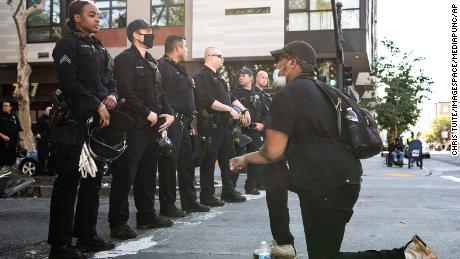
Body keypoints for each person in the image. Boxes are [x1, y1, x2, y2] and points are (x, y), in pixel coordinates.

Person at [230, 40, 438, 259]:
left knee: (323, 257)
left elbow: (272, 152)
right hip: (339, 180)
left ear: (292, 63)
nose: (275, 67)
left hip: (327, 186)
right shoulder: (327, 91)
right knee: (276, 174)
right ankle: (283, 243)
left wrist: (244, 158)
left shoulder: (288, 94)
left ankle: (408, 255)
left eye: (279, 61)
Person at [48, 1, 117, 258]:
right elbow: (69, 83)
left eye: (99, 15)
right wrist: (97, 104)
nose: (99, 19)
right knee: (68, 183)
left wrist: (111, 95)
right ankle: (60, 245)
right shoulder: (67, 44)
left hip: (96, 128)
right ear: (77, 18)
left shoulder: (98, 47)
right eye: (92, 15)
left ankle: (86, 235)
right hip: (74, 124)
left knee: (93, 182)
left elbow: (109, 81)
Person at [108, 19, 175, 240]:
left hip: (152, 126)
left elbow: (161, 92)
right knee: (125, 174)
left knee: (147, 173)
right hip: (133, 125)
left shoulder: (152, 62)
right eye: (148, 31)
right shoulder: (125, 59)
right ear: (136, 35)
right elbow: (125, 90)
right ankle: (118, 223)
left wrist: (169, 112)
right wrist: (146, 112)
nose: (151, 35)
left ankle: (146, 216)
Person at [157, 35, 210, 215]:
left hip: (185, 123)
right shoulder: (161, 66)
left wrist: (191, 121)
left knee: (187, 163)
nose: (187, 50)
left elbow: (188, 98)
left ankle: (190, 202)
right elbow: (160, 93)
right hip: (171, 122)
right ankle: (168, 206)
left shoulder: (180, 69)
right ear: (178, 48)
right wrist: (170, 114)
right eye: (185, 47)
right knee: (169, 166)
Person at [193, 47, 250, 206]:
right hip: (211, 126)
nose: (222, 59)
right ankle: (207, 195)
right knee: (209, 161)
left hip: (225, 127)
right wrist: (229, 109)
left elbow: (230, 96)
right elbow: (207, 100)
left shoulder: (219, 78)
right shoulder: (201, 76)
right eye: (220, 56)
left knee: (228, 159)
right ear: (210, 56)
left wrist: (244, 110)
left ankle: (228, 191)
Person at [231, 67, 269, 195]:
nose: (241, 77)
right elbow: (232, 109)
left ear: (251, 77)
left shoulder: (259, 94)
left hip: (254, 130)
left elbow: (266, 113)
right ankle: (231, 188)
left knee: (255, 159)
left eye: (244, 75)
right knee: (238, 159)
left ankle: (251, 186)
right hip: (240, 131)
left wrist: (262, 125)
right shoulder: (235, 93)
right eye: (240, 75)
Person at [0, 101, 22, 171]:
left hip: (13, 143)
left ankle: (10, 178)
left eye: (6, 106)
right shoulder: (0, 115)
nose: (4, 107)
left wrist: (20, 140)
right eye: (3, 106)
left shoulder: (14, 116)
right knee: (2, 161)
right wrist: (3, 136)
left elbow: (18, 128)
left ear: (10, 107)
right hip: (3, 143)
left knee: (11, 161)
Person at [34, 106, 52, 175]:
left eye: (51, 110)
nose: (50, 111)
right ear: (45, 111)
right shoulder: (41, 119)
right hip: (42, 141)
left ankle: (50, 171)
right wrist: (37, 133)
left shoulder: (54, 119)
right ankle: (40, 172)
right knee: (42, 157)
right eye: (48, 110)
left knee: (51, 157)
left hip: (51, 140)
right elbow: (35, 127)